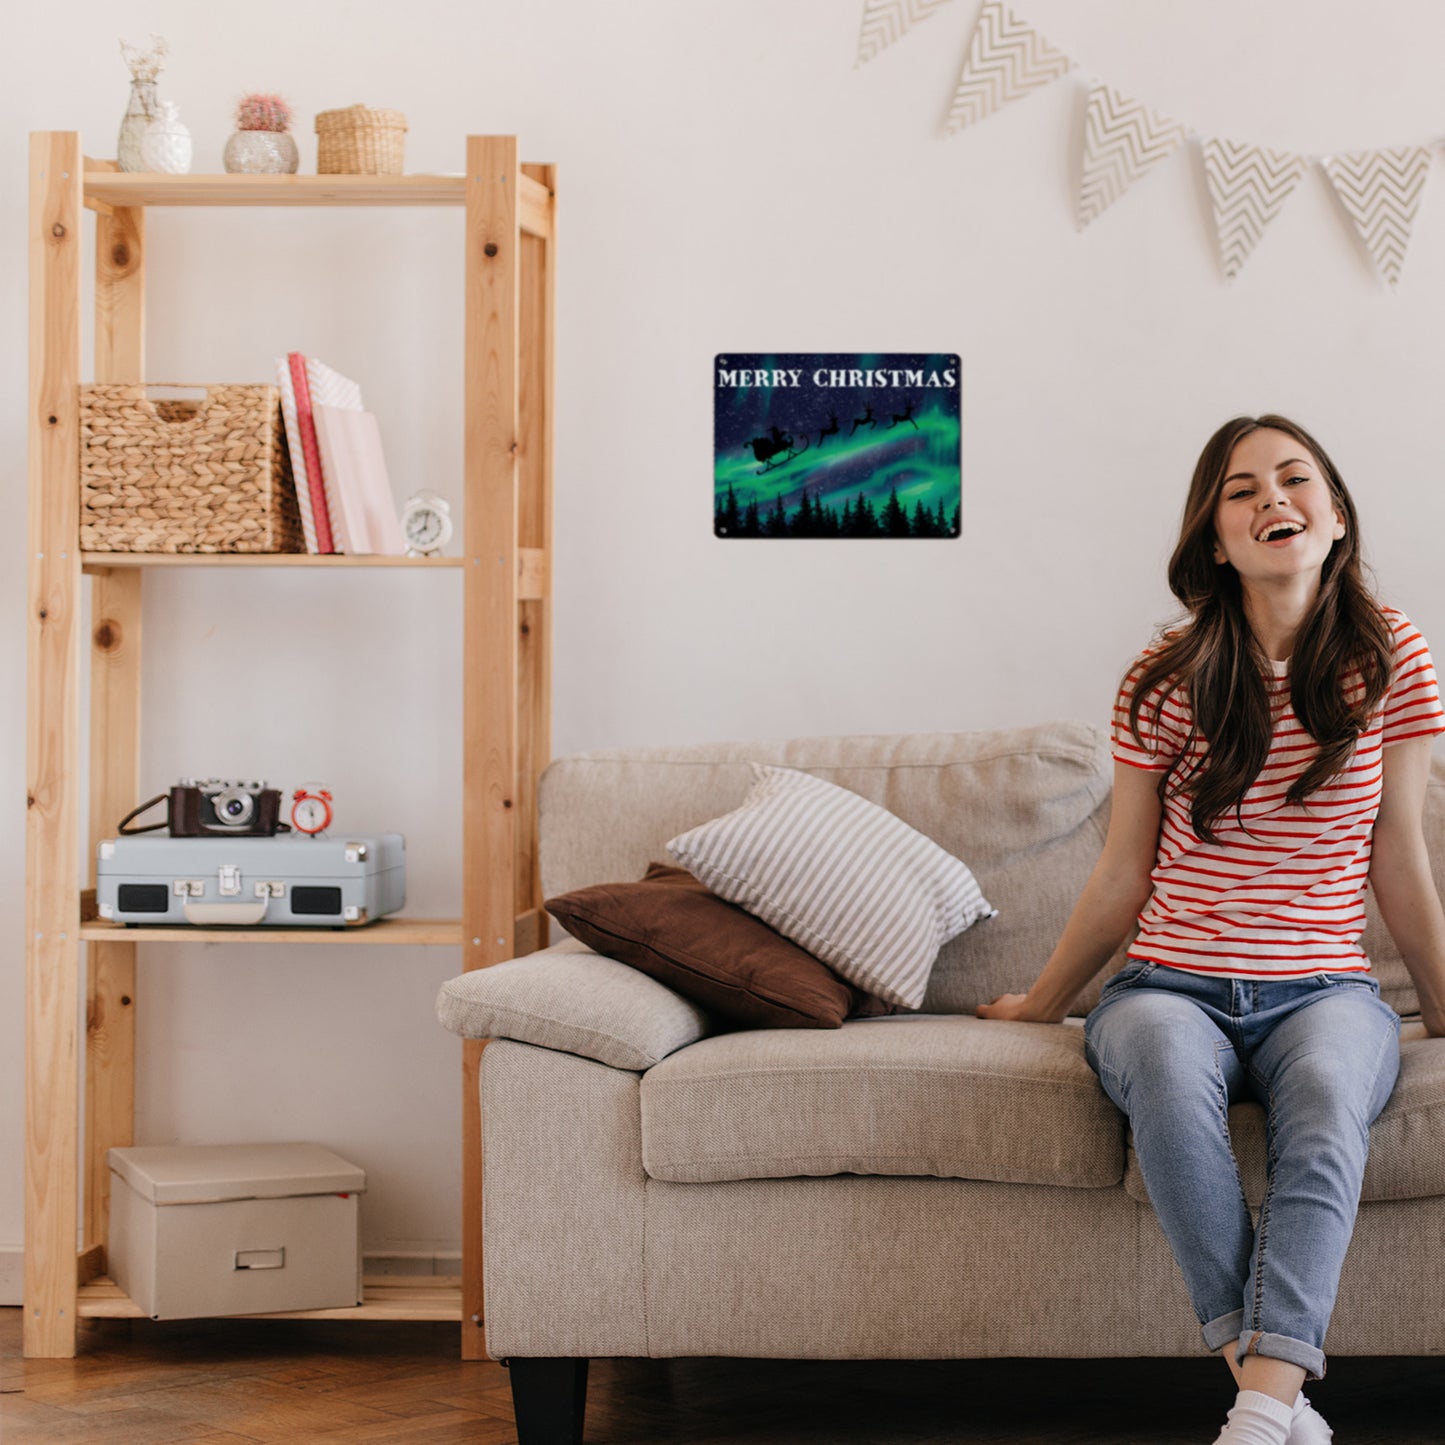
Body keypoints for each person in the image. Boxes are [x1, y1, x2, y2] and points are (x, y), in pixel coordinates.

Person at [976, 415, 1445, 1445]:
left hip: (1323, 990)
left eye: (1293, 478)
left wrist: (1444, 1009)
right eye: (1241, 489)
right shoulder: (1164, 671)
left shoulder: (1390, 653)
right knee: (1157, 1070)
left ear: (1332, 518)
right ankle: (1273, 1397)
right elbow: (1122, 871)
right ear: (1213, 537)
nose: (1271, 498)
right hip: (1165, 984)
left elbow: (1396, 853)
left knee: (1326, 1096)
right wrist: (1042, 1003)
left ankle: (1257, 1408)